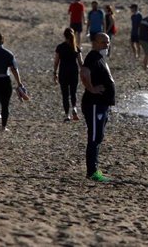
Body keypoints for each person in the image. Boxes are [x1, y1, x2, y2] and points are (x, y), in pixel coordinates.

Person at [80, 32, 115, 182]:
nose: (106, 45)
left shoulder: (100, 58)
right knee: (94, 138)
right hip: (94, 104)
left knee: (98, 137)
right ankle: (92, 172)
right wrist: (91, 88)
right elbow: (83, 72)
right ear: (95, 42)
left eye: (107, 42)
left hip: (101, 105)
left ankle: (94, 169)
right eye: (103, 42)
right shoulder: (93, 56)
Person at [54, 28, 83, 122]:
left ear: (64, 35)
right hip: (73, 72)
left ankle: (67, 115)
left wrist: (55, 73)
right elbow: (81, 62)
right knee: (73, 92)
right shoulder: (76, 47)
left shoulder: (60, 47)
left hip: (63, 72)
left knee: (65, 94)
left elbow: (56, 62)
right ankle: (74, 108)